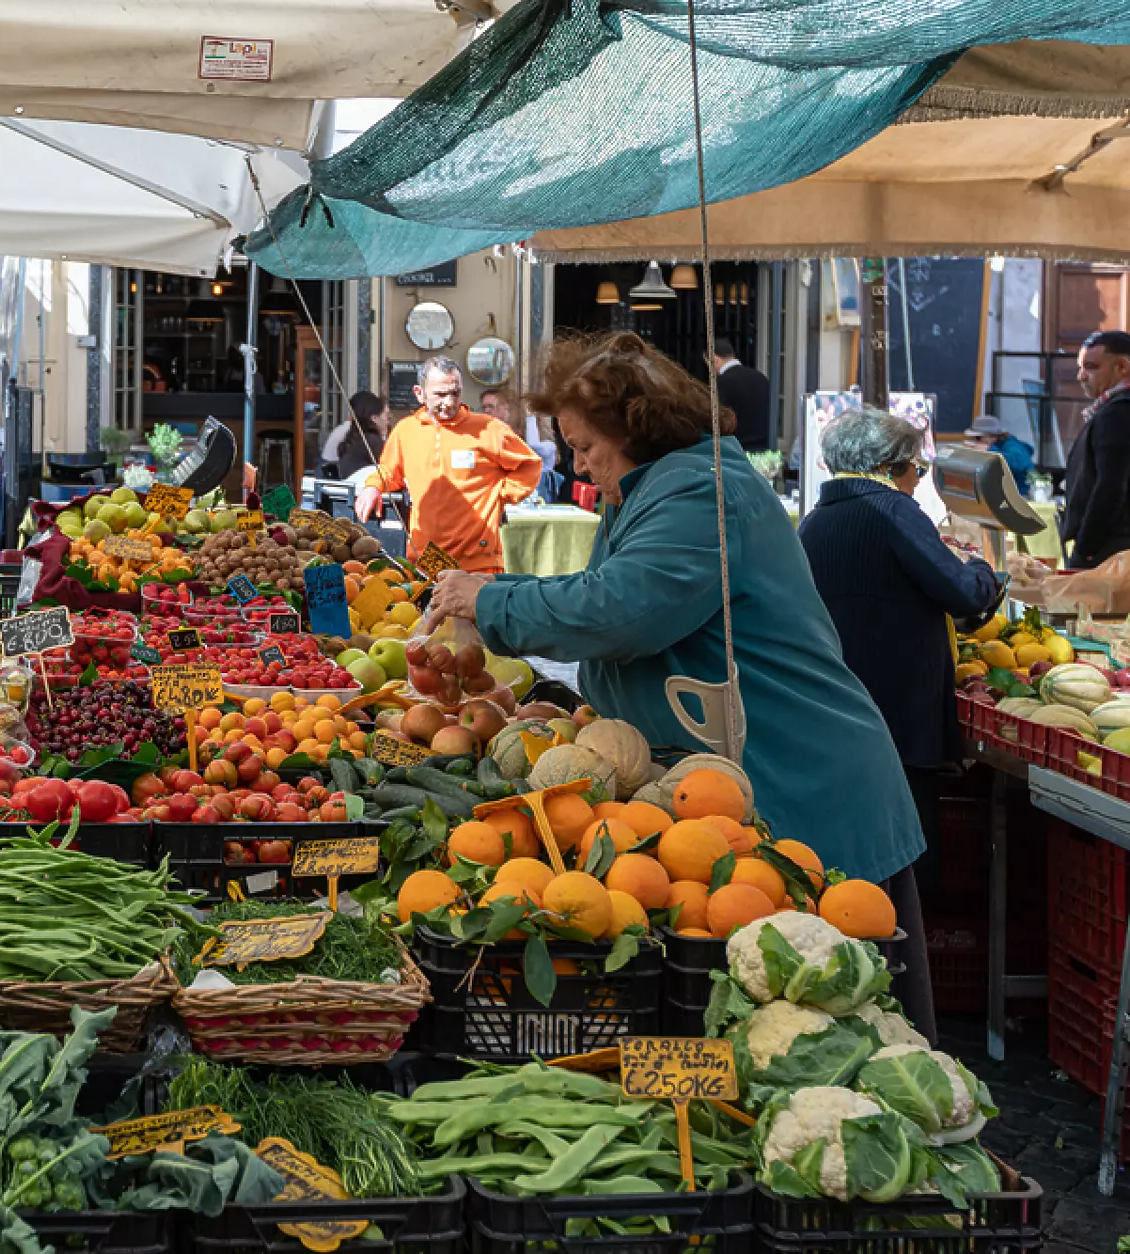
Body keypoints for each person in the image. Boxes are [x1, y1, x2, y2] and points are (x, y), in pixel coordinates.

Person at [423, 331, 938, 1040]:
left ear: (634, 429)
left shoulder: (702, 492)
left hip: (799, 782)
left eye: (584, 447)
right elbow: (615, 605)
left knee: (838, 1025)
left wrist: (489, 601)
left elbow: (624, 609)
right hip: (739, 789)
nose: (578, 466)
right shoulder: (656, 487)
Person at [799, 410, 1002, 972]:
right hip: (900, 704)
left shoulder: (816, 521)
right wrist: (985, 571)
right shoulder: (892, 508)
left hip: (841, 705)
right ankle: (902, 972)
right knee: (905, 852)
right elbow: (962, 593)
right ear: (888, 468)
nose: (918, 480)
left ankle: (855, 951)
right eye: (914, 469)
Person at [355, 356, 541, 571]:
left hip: (477, 561)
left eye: (455, 393)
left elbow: (530, 465)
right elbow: (388, 471)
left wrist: (500, 495)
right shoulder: (405, 431)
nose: (450, 402)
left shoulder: (491, 429)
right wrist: (373, 486)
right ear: (420, 394)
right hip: (424, 559)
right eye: (441, 394)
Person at [1063, 329, 1130, 569]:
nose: (1081, 376)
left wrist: (1085, 549)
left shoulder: (1118, 413)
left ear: (1122, 367)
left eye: (1091, 367)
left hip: (1110, 550)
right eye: (1081, 367)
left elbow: (1111, 487)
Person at [481, 386, 561, 498]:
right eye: (484, 407)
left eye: (491, 406)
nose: (487, 411)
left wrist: (530, 417)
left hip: (538, 497)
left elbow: (533, 446)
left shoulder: (548, 446)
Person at [712, 337, 773, 452]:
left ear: (715, 359)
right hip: (765, 449)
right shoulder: (760, 377)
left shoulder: (722, 382)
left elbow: (718, 420)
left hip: (737, 450)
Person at [321, 392, 390, 480]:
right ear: (374, 418)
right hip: (360, 490)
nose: (388, 421)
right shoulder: (371, 441)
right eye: (387, 416)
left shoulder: (359, 437)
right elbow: (390, 468)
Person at [963, 415, 1034, 494]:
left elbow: (1017, 463)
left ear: (993, 436)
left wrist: (989, 450)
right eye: (973, 438)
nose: (976, 442)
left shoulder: (1012, 445)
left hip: (1021, 493)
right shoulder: (995, 446)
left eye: (978, 438)